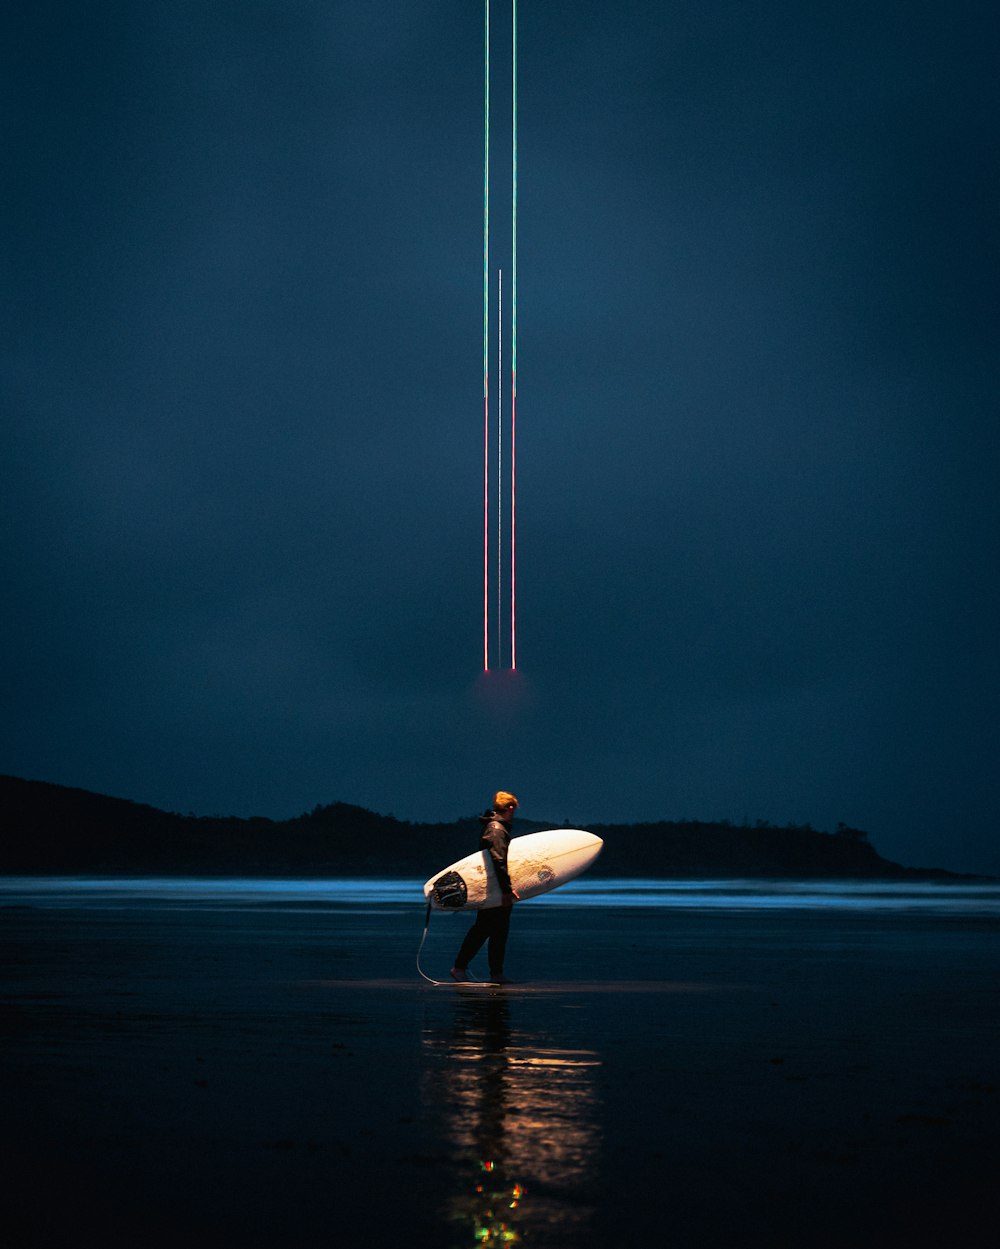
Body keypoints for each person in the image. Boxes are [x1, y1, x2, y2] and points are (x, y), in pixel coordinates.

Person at [451, 791, 520, 984]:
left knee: (497, 931)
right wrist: (506, 890)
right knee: (484, 930)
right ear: (511, 807)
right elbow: (498, 860)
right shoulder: (496, 829)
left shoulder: (495, 827)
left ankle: (495, 973)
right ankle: (460, 967)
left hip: (495, 887)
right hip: (494, 889)